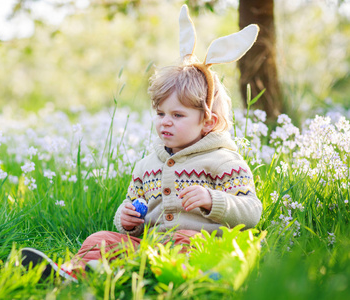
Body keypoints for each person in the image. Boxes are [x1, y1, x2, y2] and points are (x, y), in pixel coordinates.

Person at [19, 5, 262, 283]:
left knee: (186, 241)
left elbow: (251, 210)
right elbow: (134, 205)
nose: (165, 122)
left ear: (208, 121)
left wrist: (213, 200)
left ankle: (174, 279)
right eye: (160, 113)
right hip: (151, 248)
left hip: (202, 247)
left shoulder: (224, 162)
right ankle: (75, 273)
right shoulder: (147, 166)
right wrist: (126, 219)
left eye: (177, 115)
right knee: (101, 239)